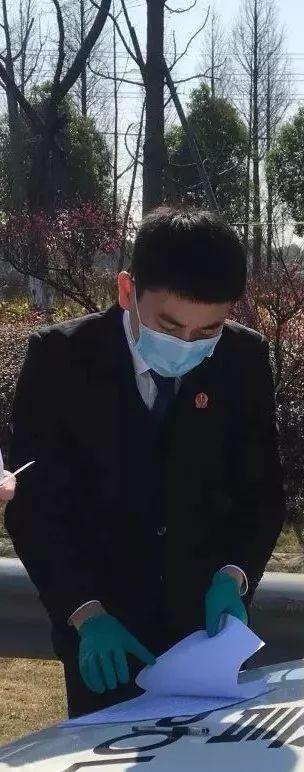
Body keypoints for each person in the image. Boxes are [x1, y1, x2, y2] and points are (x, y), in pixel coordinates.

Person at [6, 207, 286, 717]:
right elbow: (34, 505)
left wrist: (235, 574)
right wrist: (83, 611)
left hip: (206, 631)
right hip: (104, 630)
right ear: (127, 290)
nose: (186, 344)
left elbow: (261, 489)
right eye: (169, 325)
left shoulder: (242, 359)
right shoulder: (61, 359)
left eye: (208, 330)